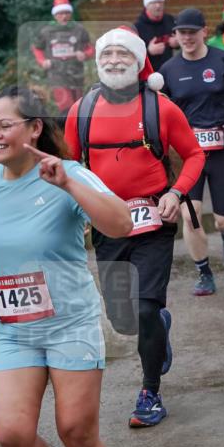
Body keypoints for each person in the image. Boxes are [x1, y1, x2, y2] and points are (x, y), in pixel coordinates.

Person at [0, 87, 132, 447]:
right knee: (11, 434)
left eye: (4, 124)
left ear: (34, 128)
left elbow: (121, 224)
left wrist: (70, 184)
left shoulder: (66, 173)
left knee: (76, 429)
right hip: (13, 332)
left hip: (70, 323)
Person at [65, 27, 204, 426]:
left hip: (154, 222)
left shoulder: (159, 108)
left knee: (144, 307)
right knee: (123, 319)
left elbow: (193, 155)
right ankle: (158, 327)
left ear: (139, 61)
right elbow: (71, 168)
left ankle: (150, 392)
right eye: (106, 54)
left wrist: (176, 194)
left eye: (122, 54)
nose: (113, 60)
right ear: (98, 62)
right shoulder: (82, 109)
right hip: (108, 223)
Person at [160, 8, 224, 295]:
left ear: (204, 31)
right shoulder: (168, 71)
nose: (187, 37)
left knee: (222, 219)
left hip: (222, 149)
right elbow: (160, 108)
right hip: (188, 154)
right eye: (182, 33)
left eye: (193, 32)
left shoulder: (223, 59)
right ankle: (204, 274)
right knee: (190, 215)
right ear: (175, 36)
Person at [32, 0, 93, 124]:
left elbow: (90, 48)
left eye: (66, 13)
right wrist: (42, 61)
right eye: (60, 14)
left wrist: (85, 54)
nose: (64, 16)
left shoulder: (79, 29)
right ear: (55, 15)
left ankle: (80, 134)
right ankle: (66, 135)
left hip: (76, 73)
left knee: (78, 105)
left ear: (70, 14)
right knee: (66, 106)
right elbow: (37, 48)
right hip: (56, 74)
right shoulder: (46, 31)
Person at [133, 0, 178, 71]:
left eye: (160, 2)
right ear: (147, 5)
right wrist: (148, 51)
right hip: (148, 73)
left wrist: (177, 42)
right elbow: (133, 55)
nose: (158, 5)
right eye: (154, 2)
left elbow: (181, 39)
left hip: (169, 70)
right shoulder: (138, 27)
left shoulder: (170, 20)